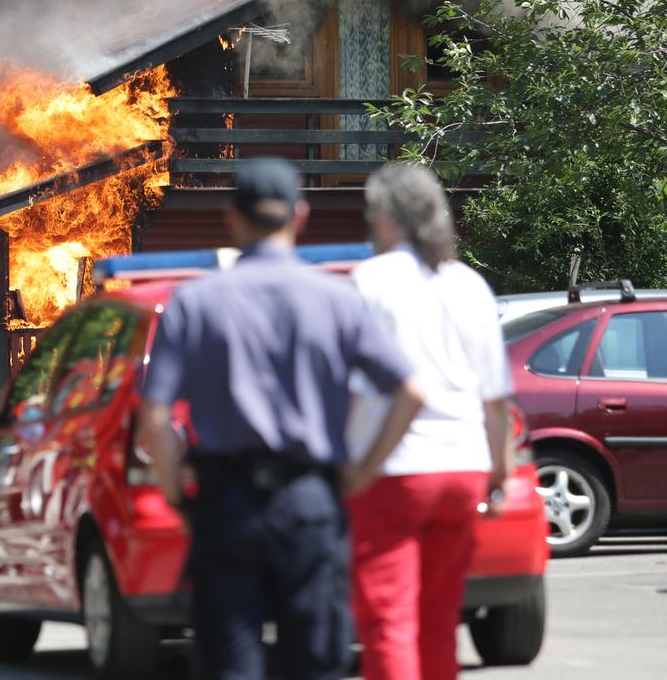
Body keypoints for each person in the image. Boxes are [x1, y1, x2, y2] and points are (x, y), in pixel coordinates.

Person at [138, 158, 426, 680]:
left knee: (231, 661)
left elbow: (154, 418)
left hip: (227, 504)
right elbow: (410, 389)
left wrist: (176, 492)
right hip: (309, 500)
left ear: (233, 217)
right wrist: (363, 470)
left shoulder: (195, 302)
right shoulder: (339, 300)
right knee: (316, 662)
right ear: (301, 214)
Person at [345, 164, 515, 680]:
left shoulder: (369, 282)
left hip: (394, 470)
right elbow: (495, 396)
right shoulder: (469, 285)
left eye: (373, 215)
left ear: (390, 219)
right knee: (439, 619)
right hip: (463, 467)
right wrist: (500, 471)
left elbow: (350, 389)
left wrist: (352, 466)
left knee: (387, 622)